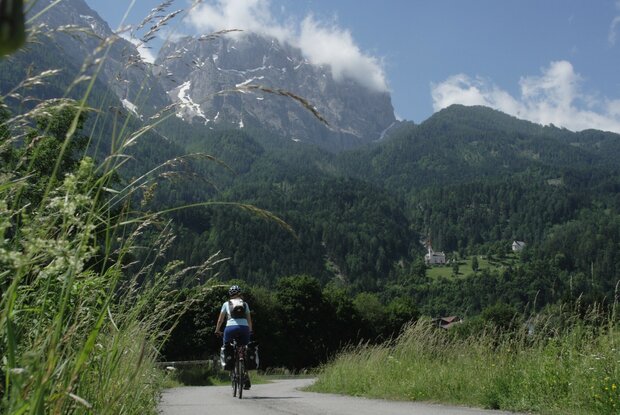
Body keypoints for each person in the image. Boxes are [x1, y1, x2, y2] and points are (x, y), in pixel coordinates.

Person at [215, 285, 253, 389]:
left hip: (230, 328)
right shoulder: (245, 304)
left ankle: (230, 365)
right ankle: (246, 376)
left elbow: (220, 320)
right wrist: (250, 331)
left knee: (227, 347)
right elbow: (249, 320)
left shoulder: (226, 304)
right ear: (240, 294)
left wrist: (217, 330)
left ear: (230, 294)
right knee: (245, 349)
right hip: (244, 328)